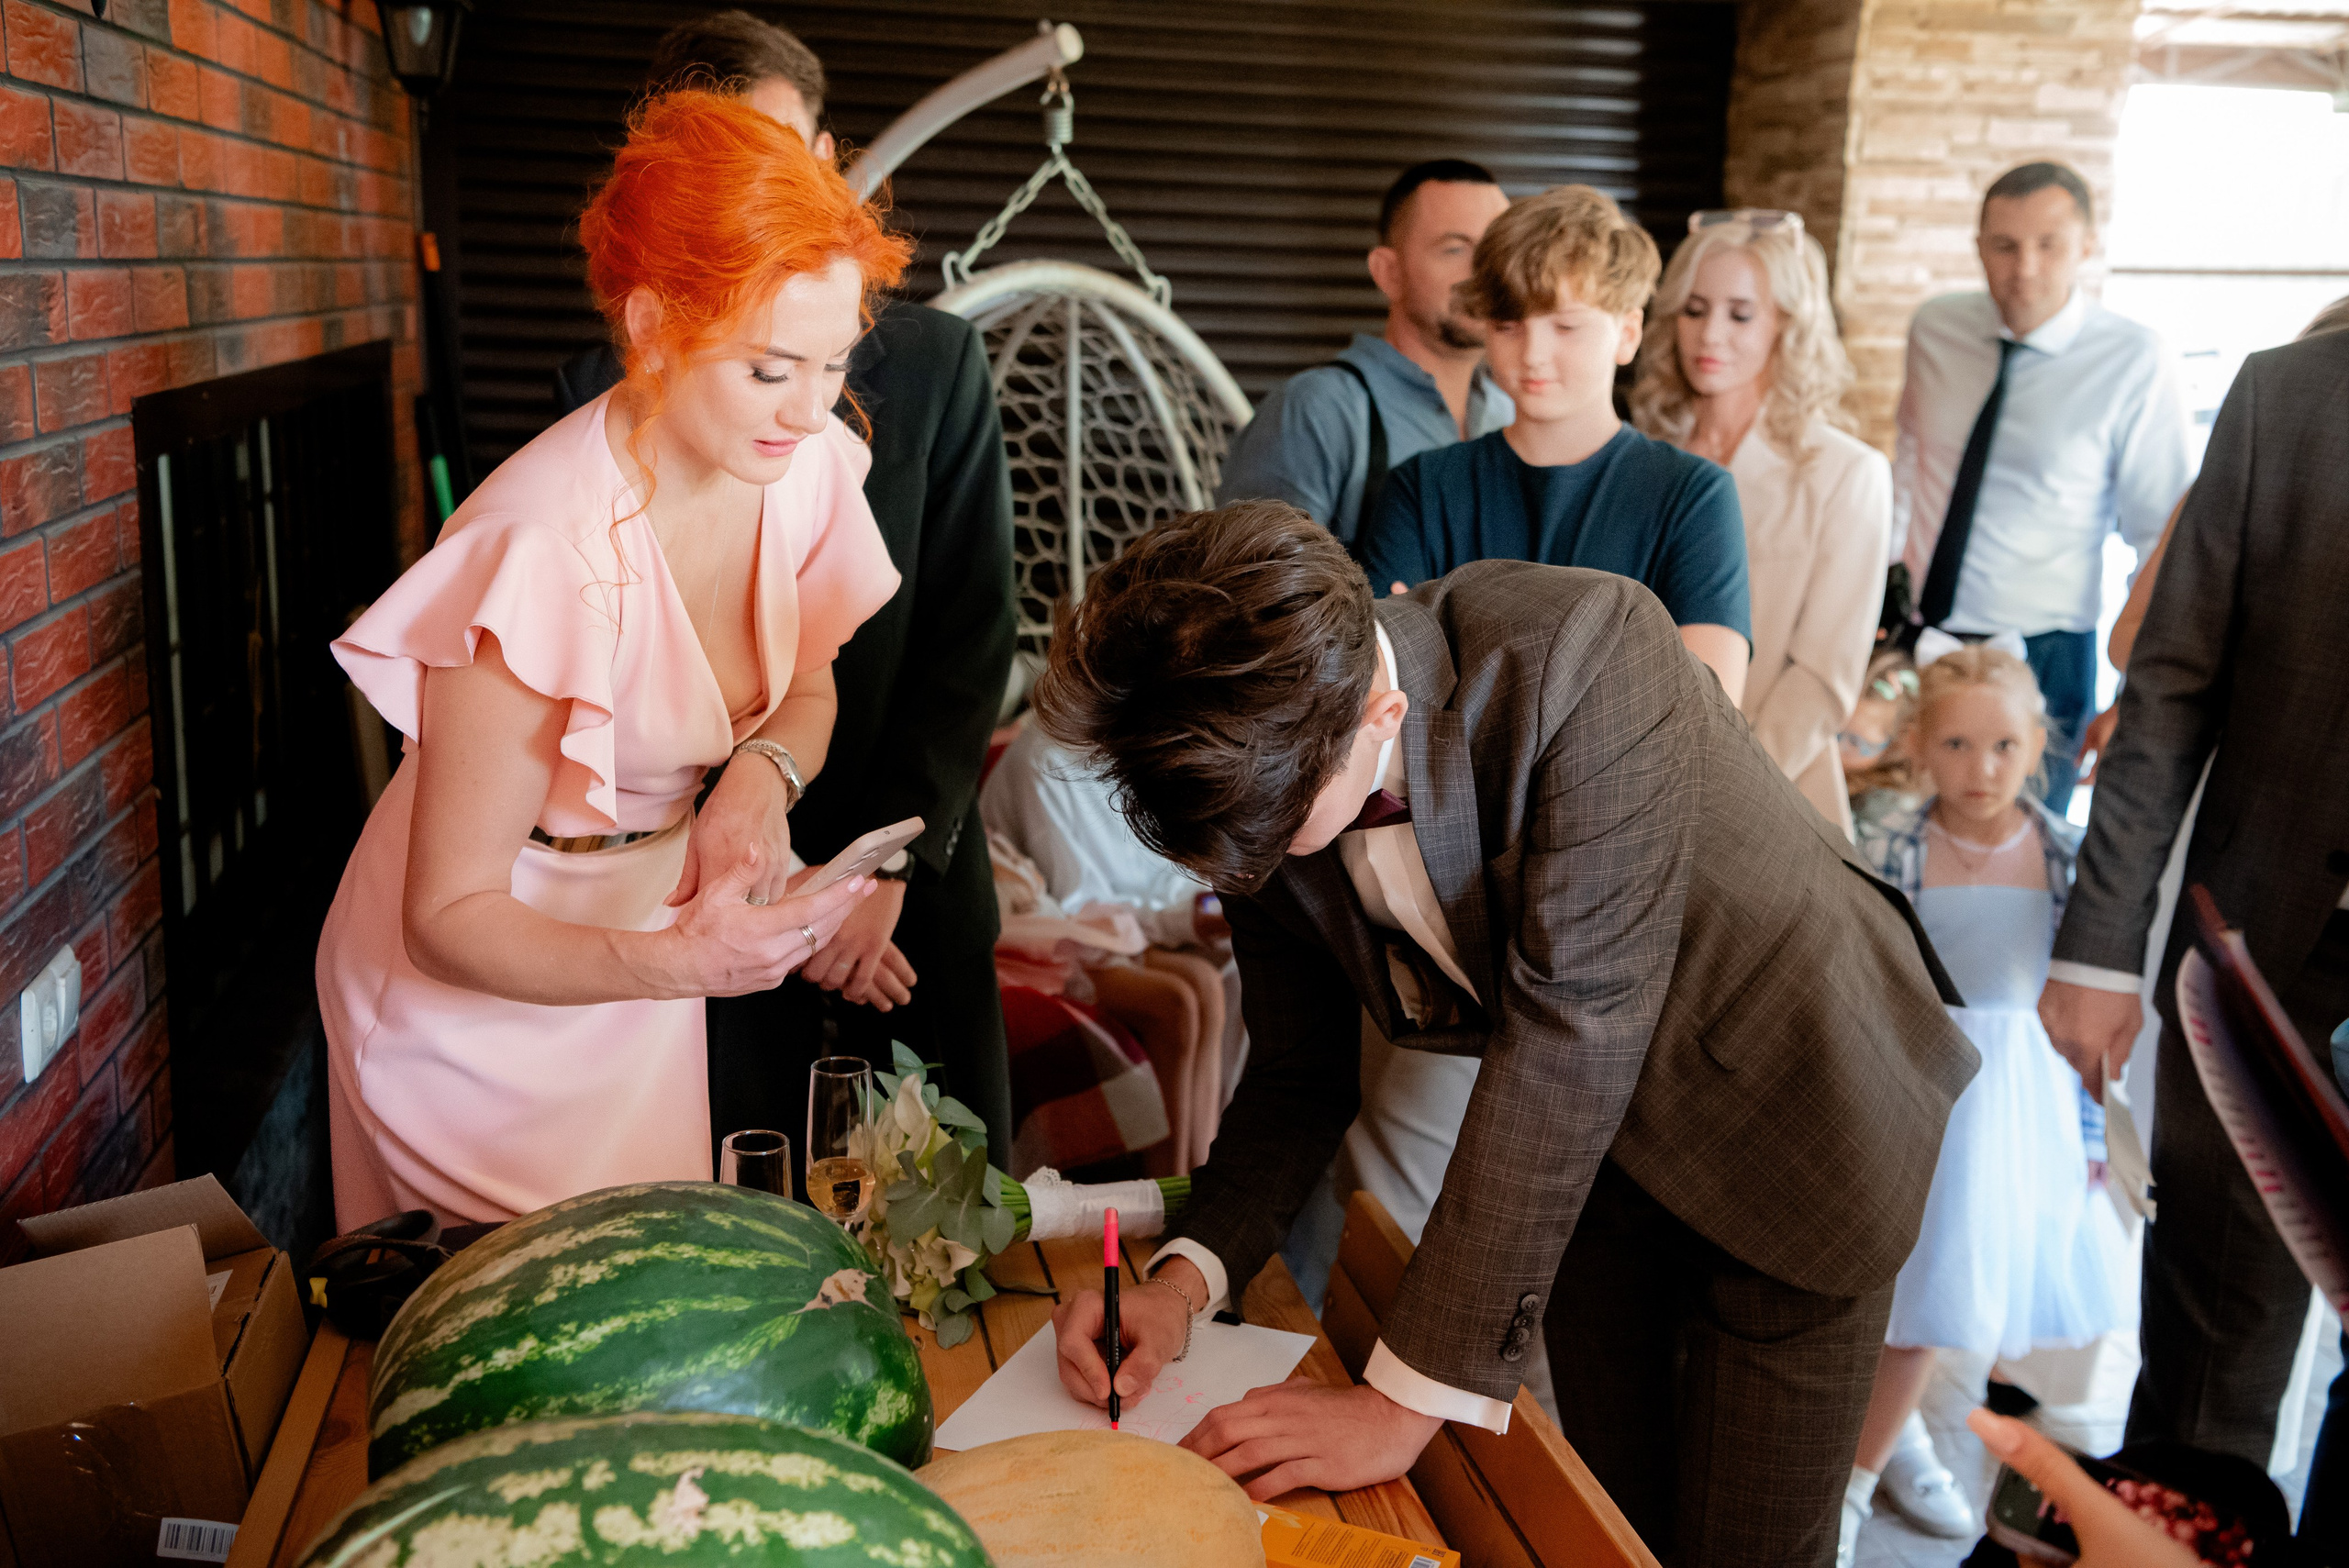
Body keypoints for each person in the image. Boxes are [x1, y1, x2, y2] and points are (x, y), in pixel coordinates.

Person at [1030, 502, 1976, 1565]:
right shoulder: (1252, 771)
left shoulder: (1585, 649)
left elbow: (1569, 1038)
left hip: (1798, 1106)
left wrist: (1392, 1404)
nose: (1253, 872)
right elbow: (1298, 1074)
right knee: (1616, 1525)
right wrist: (1180, 1282)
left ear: (1378, 713)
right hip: (1599, 1168)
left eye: (1274, 833)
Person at [316, 92, 907, 1228]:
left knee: (652, 1299)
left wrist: (754, 781)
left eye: (834, 365)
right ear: (649, 327)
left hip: (643, 949)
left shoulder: (807, 462)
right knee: (520, 1343)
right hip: (466, 1003)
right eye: (770, 368)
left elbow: (811, 682)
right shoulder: (540, 544)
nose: (810, 410)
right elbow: (445, 911)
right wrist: (680, 961)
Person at [556, 12, 1019, 1160]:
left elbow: (971, 637)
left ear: (827, 156)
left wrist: (882, 868)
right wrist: (755, 890)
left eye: (790, 156)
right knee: (736, 1223)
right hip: (698, 895)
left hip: (904, 883)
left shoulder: (932, 362)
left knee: (947, 1231)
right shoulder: (592, 398)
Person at [2038, 321, 2349, 1564]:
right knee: (2207, 1377)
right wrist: (2098, 951)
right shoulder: (2286, 399)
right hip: (2263, 968)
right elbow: (2167, 688)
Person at [1843, 641, 2136, 1562]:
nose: (1982, 768)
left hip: (2025, 1108)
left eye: (2004, 746)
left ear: (2036, 746)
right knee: (1902, 1304)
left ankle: (1945, 1484)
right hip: (1929, 1086)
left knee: (1969, 1307)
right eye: (1959, 744)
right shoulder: (1894, 840)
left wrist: (2092, 1135)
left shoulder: (2061, 853)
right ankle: (1857, 1474)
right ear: (1922, 746)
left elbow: (2086, 1018)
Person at [1358, 185, 1752, 704]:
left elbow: (1703, 714)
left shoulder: (1694, 497)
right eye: (1508, 326)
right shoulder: (1422, 487)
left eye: (1566, 326)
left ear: (1628, 332)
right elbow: (1376, 694)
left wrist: (1453, 667)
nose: (1534, 354)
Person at [1891, 161, 2192, 811]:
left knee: (2026, 857)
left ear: (2086, 245)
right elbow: (1908, 471)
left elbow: (2162, 542)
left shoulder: (2135, 359)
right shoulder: (1934, 328)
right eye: (2004, 245)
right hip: (1920, 636)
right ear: (1978, 247)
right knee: (1891, 843)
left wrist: (2132, 694)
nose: (2023, 268)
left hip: (2045, 655)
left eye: (2048, 244)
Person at [1632, 209, 1888, 832]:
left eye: (1740, 314)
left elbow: (1823, 680)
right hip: (1621, 776)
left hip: (1768, 796)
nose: (1709, 335)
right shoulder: (1638, 452)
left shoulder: (1845, 472)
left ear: (1787, 325)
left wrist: (1715, 785)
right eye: (1693, 310)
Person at [1215, 160, 1512, 546]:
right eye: (1454, 249)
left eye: (1494, 250)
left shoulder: (1512, 413)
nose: (1483, 272)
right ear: (1388, 272)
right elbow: (1253, 592)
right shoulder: (1317, 410)